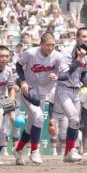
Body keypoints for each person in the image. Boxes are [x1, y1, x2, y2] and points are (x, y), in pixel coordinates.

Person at [12, 32, 65, 165]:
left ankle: (17, 150)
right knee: (39, 118)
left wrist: (58, 76)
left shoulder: (58, 56)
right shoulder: (31, 53)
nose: (51, 47)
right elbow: (18, 65)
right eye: (48, 45)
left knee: (31, 126)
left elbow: (66, 73)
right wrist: (23, 81)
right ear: (41, 44)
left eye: (53, 45)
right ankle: (34, 152)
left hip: (43, 94)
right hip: (29, 91)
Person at [55, 27, 87, 162]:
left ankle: (67, 154)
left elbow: (82, 74)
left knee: (75, 122)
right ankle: (72, 150)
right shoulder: (66, 53)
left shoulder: (85, 54)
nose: (86, 39)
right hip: (63, 89)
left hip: (76, 90)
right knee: (74, 119)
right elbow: (64, 76)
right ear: (77, 38)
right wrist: (79, 59)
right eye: (83, 36)